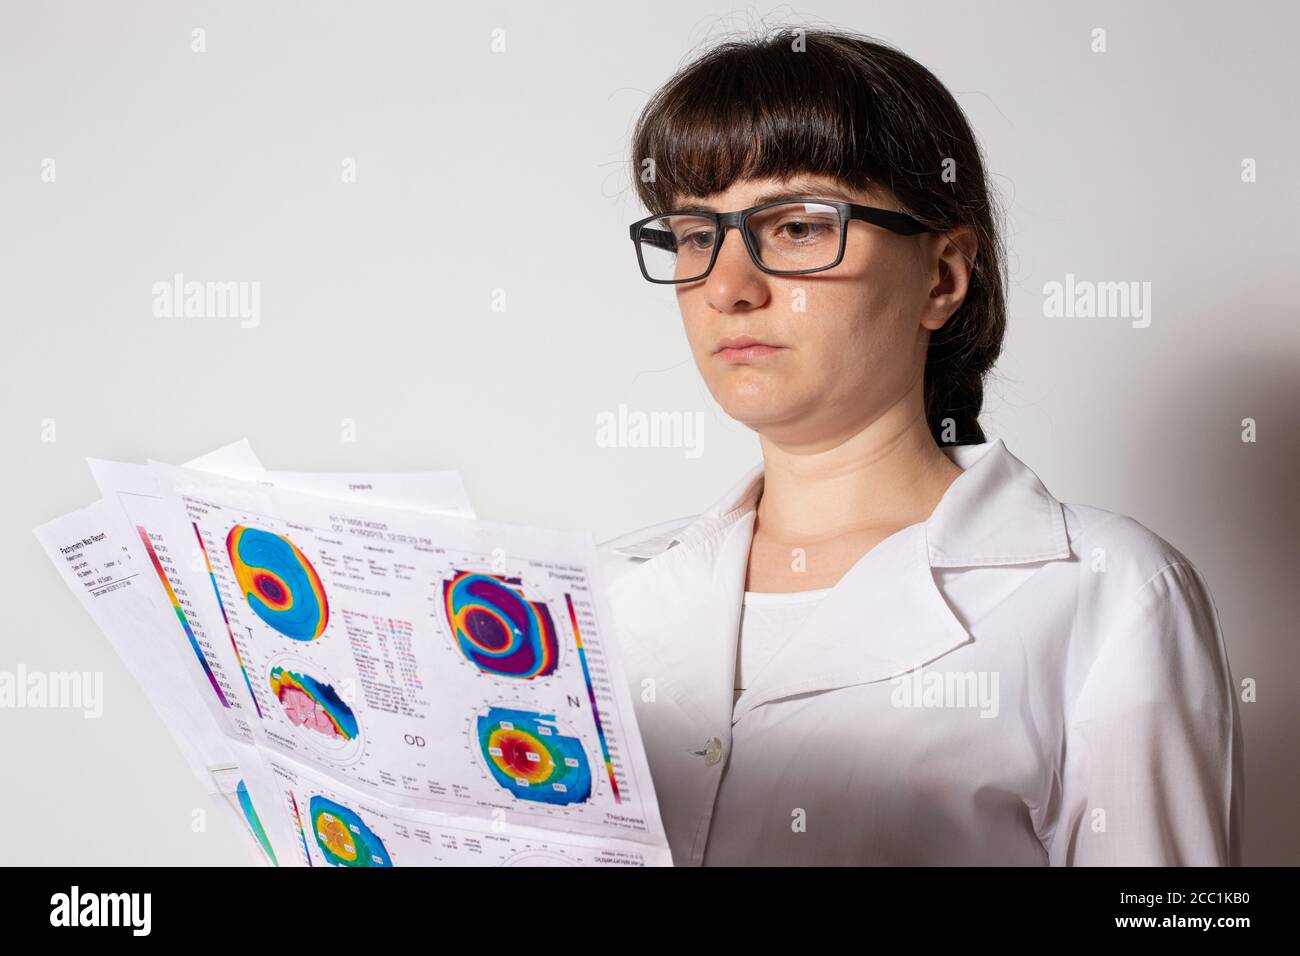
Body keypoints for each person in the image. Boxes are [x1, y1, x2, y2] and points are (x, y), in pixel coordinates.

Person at [598, 27, 1243, 866]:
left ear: (942, 276)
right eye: (693, 234)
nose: (727, 287)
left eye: (796, 227)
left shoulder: (1111, 593)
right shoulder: (596, 602)